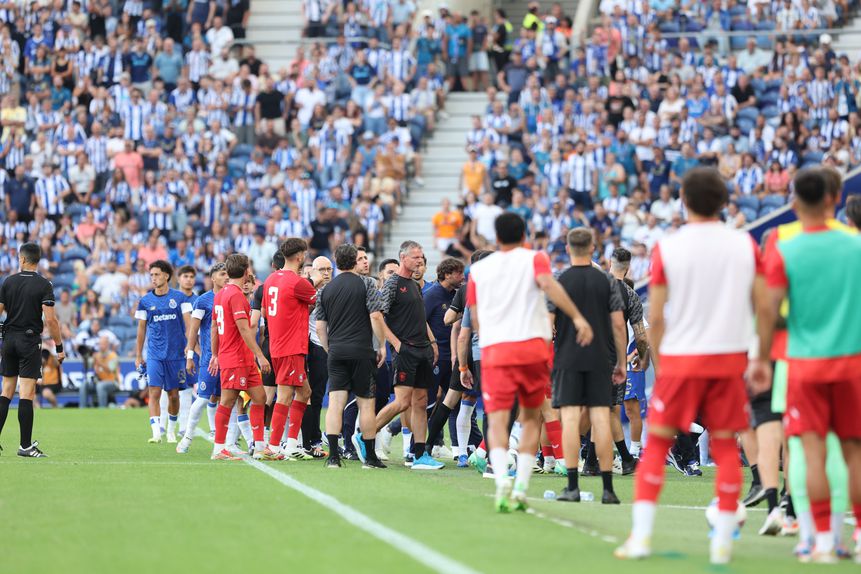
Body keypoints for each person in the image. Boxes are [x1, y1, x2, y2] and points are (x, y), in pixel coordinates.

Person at [615, 168, 765, 564]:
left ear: (683, 200)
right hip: (729, 358)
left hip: (683, 358)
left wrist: (662, 366)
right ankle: (723, 542)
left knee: (658, 443)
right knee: (726, 445)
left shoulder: (669, 248)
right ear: (723, 201)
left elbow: (656, 315)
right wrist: (759, 355)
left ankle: (641, 537)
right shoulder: (744, 245)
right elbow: (762, 306)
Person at [754, 168, 861, 563]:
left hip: (803, 365)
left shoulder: (784, 246)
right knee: (853, 454)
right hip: (851, 363)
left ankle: (822, 542)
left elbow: (769, 308)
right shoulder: (856, 244)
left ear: (794, 202)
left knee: (810, 453)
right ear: (835, 198)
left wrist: (761, 358)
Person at [466, 212, 594, 512]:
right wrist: (577, 317)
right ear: (524, 235)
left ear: (496, 237)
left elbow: (475, 316)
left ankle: (502, 481)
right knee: (532, 417)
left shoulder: (479, 270)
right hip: (531, 349)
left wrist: (489, 340)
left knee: (497, 419)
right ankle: (521, 486)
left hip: (496, 350)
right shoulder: (535, 259)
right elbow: (549, 285)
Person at [552, 228, 627, 504]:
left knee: (571, 420)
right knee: (601, 419)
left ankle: (572, 486)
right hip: (600, 358)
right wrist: (621, 361)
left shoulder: (559, 280)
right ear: (593, 248)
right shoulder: (607, 281)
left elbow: (548, 325)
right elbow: (618, 325)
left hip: (567, 358)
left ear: (568, 248)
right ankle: (608, 490)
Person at [372, 241, 443, 470]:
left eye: (421, 257)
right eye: (415, 257)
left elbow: (420, 317)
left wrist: (432, 342)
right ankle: (365, 435)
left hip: (422, 350)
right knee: (403, 402)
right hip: (406, 352)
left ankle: (419, 455)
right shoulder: (393, 283)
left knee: (421, 402)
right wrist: (396, 344)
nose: (420, 260)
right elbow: (378, 316)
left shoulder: (414, 284)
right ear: (403, 258)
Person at [317, 244, 387, 469]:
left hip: (337, 351)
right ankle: (370, 457)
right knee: (366, 405)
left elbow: (320, 326)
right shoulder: (366, 284)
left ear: (336, 262)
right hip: (362, 351)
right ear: (354, 261)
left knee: (335, 404)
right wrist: (381, 345)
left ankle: (333, 457)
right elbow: (376, 316)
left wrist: (329, 348)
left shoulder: (326, 289)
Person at [259, 238, 324, 460]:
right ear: (299, 256)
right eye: (304, 254)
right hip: (291, 346)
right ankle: (274, 446)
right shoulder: (297, 282)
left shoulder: (271, 279)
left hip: (278, 344)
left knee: (305, 392)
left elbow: (265, 312)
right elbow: (315, 298)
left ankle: (292, 444)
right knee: (285, 396)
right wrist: (316, 278)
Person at [0, 242, 64, 457]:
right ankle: (25, 446)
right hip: (29, 341)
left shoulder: (8, 282)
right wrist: (59, 347)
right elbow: (51, 320)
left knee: (6, 391)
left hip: (9, 340)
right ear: (38, 260)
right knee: (26, 393)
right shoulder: (44, 284)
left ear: (22, 259)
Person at [209, 253, 271, 461]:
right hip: (235, 357)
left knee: (260, 397)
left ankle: (260, 446)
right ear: (246, 271)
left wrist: (215, 353)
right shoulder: (235, 296)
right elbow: (244, 329)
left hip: (242, 357)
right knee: (227, 400)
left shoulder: (221, 294)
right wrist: (260, 356)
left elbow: (214, 327)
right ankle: (219, 448)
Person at [134, 260, 192, 444]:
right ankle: (156, 433)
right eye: (151, 275)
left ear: (166, 276)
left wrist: (190, 347)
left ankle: (171, 430)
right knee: (154, 392)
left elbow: (189, 325)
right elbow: (141, 329)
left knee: (173, 396)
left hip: (176, 356)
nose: (153, 278)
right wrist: (138, 355)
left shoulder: (180, 298)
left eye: (157, 274)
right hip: (154, 355)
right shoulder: (145, 301)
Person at [177, 262, 228, 454]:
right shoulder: (203, 301)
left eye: (227, 274)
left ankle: (227, 441)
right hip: (209, 360)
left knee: (228, 400)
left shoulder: (233, 297)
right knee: (203, 399)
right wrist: (190, 355)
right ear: (213, 278)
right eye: (222, 274)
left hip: (230, 359)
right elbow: (193, 330)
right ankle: (187, 438)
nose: (226, 277)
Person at [423, 258, 466, 458]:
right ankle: (414, 447)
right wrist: (431, 346)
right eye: (458, 273)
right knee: (429, 402)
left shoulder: (457, 294)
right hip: (436, 356)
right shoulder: (432, 294)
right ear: (447, 274)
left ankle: (451, 446)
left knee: (452, 402)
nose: (462, 277)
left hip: (454, 357)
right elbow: (421, 321)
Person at [303, 255, 333, 457]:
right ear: (313, 271)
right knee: (313, 395)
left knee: (326, 395)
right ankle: (311, 440)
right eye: (322, 269)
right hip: (316, 346)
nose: (326, 273)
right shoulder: (309, 291)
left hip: (335, 346)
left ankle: (322, 437)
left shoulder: (335, 289)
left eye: (329, 269)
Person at [91, 335, 121, 408]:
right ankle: (82, 408)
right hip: (99, 381)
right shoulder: (97, 355)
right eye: (99, 344)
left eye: (102, 344)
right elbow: (94, 370)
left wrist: (99, 363)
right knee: (85, 385)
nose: (100, 346)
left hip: (113, 382)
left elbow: (110, 369)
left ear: (107, 345)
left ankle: (102, 409)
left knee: (100, 386)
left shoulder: (113, 355)